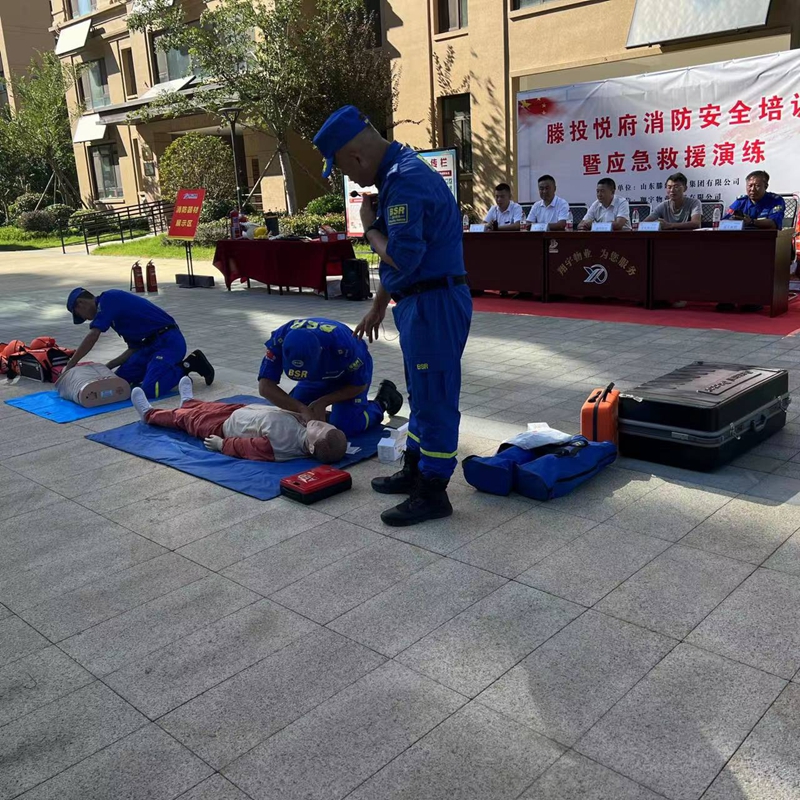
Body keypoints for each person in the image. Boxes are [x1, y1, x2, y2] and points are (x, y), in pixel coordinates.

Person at [313, 105, 472, 526]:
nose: (350, 178)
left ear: (356, 156)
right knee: (420, 391)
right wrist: (379, 305)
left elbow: (401, 255)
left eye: (344, 168)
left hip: (435, 304)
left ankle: (433, 490)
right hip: (419, 301)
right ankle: (416, 468)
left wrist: (368, 227)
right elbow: (400, 261)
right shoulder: (395, 174)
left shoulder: (405, 180)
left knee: (435, 397)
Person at [131, 377, 347, 463]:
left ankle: (150, 415)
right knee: (207, 407)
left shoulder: (281, 446)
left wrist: (222, 444)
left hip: (223, 427)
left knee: (188, 420)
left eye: (319, 430)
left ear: (311, 447)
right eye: (326, 425)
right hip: (242, 412)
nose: (320, 424)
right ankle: (188, 401)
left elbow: (248, 447)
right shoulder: (306, 428)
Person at [257, 317, 402, 439]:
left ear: (321, 352)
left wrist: (324, 401)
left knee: (346, 426)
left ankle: (383, 401)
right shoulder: (278, 340)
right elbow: (265, 387)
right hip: (315, 379)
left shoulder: (346, 346)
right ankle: (324, 412)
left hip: (347, 379)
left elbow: (359, 385)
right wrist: (301, 408)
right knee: (294, 417)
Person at [62, 287, 213, 399]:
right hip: (149, 347)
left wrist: (71, 364)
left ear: (80, 304)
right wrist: (107, 368)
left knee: (150, 389)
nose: (86, 319)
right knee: (120, 383)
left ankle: (188, 365)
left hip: (168, 342)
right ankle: (161, 371)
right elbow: (132, 349)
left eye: (81, 315)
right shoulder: (114, 317)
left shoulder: (109, 299)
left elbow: (93, 335)